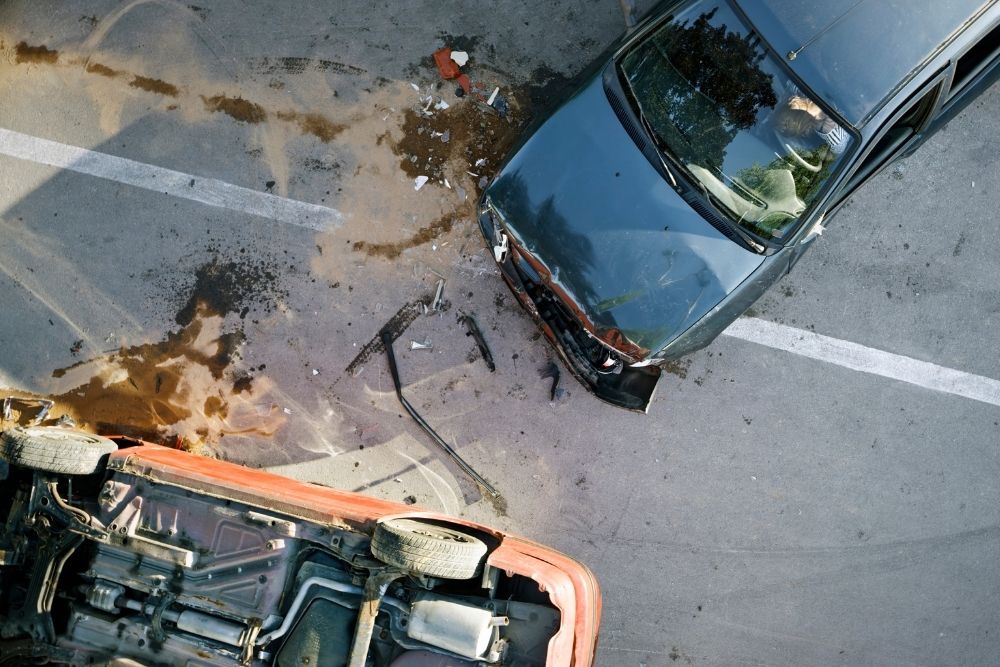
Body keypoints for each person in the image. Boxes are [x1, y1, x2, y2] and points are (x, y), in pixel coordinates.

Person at [774, 92, 850, 155]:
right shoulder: (835, 135)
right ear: (807, 131)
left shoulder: (801, 91)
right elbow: (839, 148)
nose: (809, 101)